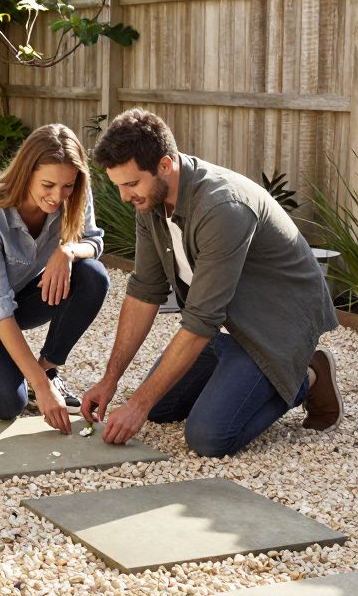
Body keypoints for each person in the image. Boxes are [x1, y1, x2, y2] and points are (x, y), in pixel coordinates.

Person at [80, 108, 342, 457]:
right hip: (227, 325)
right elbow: (144, 292)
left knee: (209, 438)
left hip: (276, 326)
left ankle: (307, 375)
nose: (126, 196)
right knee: (161, 409)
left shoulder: (223, 207)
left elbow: (201, 320)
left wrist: (136, 405)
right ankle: (234, 371)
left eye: (131, 184)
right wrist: (109, 381)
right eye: (120, 186)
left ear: (165, 165)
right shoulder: (151, 202)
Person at [0, 124, 109, 434]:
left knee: (92, 276)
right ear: (27, 172)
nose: (58, 196)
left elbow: (94, 240)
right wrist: (40, 390)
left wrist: (67, 251)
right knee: (8, 404)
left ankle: (47, 367)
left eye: (66, 186)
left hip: (16, 295)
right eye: (48, 185)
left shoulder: (73, 188)